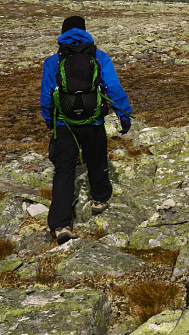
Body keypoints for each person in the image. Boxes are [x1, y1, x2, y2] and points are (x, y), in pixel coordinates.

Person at [39, 16, 132, 244]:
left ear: (62, 34)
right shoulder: (99, 57)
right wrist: (124, 114)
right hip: (93, 120)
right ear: (85, 31)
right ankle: (99, 199)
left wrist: (49, 120)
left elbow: (46, 94)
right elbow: (114, 87)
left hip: (64, 123)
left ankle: (60, 225)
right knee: (97, 159)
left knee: (64, 171)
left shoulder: (53, 61)